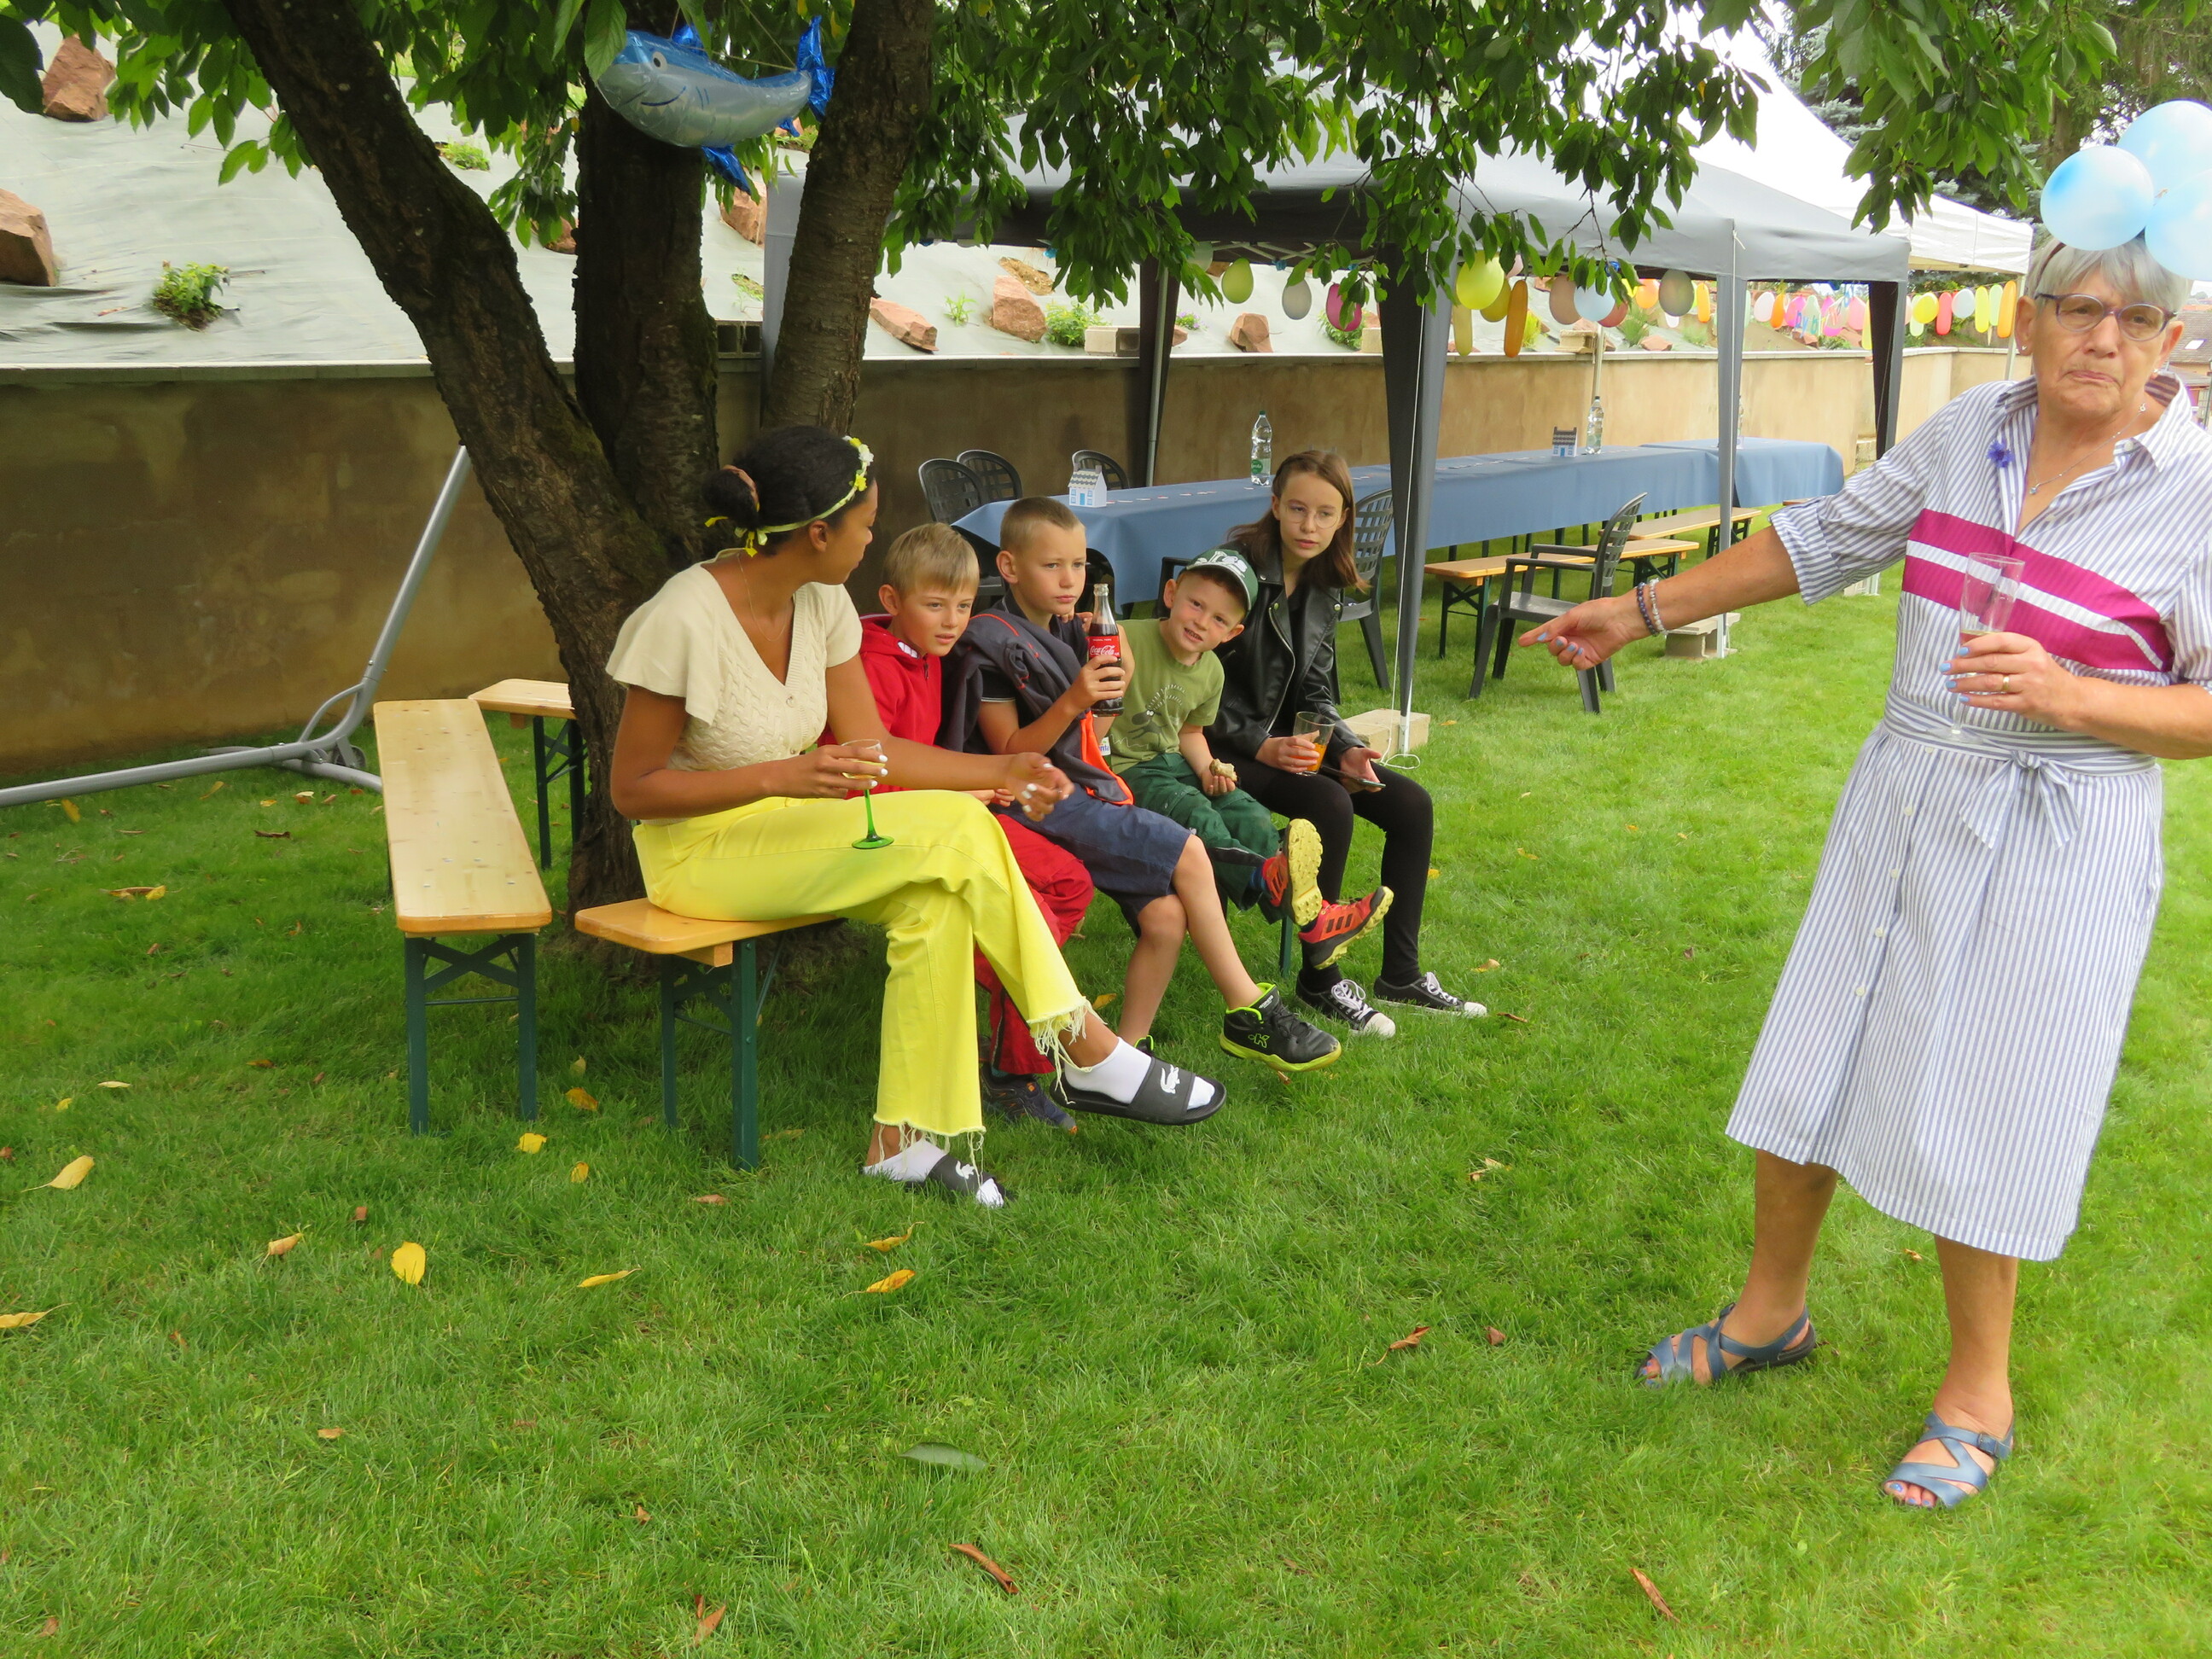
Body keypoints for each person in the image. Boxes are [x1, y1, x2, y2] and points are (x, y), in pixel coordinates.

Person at [1522, 236, 2212, 1509]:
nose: (2103, 338)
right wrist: (1644, 609)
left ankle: (1978, 1393)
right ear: (2029, 320)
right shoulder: (1967, 432)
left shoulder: (2198, 493)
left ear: (2172, 339)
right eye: (2078, 309)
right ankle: (1768, 1314)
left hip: (2058, 833)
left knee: (1990, 1091)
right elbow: (1825, 539)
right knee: (1817, 1047)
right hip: (1903, 794)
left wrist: (2068, 693)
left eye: (2135, 319)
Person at [606, 427, 1231, 1208]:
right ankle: (1082, 1044)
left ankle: (902, 1143)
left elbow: (877, 750)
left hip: (790, 835)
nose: (873, 540)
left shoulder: (821, 602)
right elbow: (633, 790)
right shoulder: (683, 617)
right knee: (958, 830)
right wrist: (779, 775)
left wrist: (1002, 770)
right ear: (819, 533)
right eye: (866, 525)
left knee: (936, 902)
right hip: (697, 857)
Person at [943, 495, 1341, 1073]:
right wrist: (1077, 698)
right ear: (1009, 567)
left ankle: (1127, 1054)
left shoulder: (1074, 631)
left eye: (1078, 565)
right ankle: (1248, 1008)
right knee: (1188, 849)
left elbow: (1089, 739)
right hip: (1027, 799)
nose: (1070, 580)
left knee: (1166, 918)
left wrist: (1115, 684)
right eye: (1052, 566)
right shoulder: (991, 641)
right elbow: (1011, 754)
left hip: (1078, 785)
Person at [1207, 451, 1486, 1037]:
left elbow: (1316, 690)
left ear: (1342, 519)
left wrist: (1346, 748)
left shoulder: (1323, 583)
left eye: (1324, 513)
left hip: (1282, 744)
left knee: (1410, 804)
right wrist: (1261, 746)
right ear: (1275, 506)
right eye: (1297, 509)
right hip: (1214, 745)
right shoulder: (1232, 573)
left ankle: (1401, 974)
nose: (1309, 525)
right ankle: (1320, 978)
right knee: (1329, 802)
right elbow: (1190, 680)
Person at [842, 521, 1091, 1131]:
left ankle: (1012, 1007)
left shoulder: (932, 654)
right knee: (1029, 920)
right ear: (892, 600)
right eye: (935, 606)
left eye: (963, 605)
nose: (953, 621)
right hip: (888, 827)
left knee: (1071, 883)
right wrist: (966, 789)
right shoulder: (869, 667)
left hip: (951, 810)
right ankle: (1012, 1071)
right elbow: (865, 781)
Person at [1109, 546, 1391, 946]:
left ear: (1232, 633)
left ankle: (1308, 913)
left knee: (1249, 812)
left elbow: (1190, 733)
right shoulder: (1126, 636)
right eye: (1195, 604)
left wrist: (1207, 768)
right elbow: (1081, 647)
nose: (1201, 621)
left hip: (1173, 762)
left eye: (1219, 619)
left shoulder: (1211, 672)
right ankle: (1287, 895)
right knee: (1196, 813)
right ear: (1171, 594)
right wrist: (1085, 627)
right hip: (1124, 769)